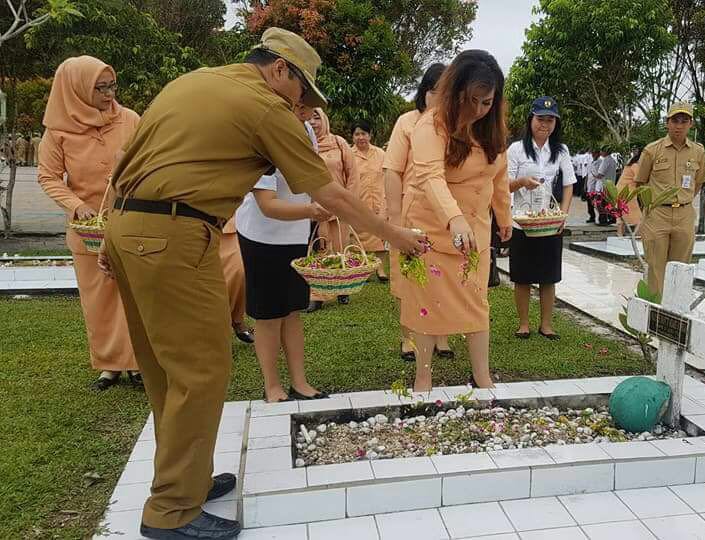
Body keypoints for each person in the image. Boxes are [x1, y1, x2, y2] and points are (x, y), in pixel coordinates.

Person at [99, 27, 425, 539]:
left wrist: (110, 238)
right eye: (301, 91)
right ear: (279, 69)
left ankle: (185, 479)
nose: (301, 105)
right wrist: (394, 235)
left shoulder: (194, 82)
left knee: (166, 367)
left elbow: (126, 164)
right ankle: (172, 513)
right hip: (177, 235)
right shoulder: (266, 107)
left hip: (129, 227)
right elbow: (330, 194)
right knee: (202, 369)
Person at [400, 49, 511, 392]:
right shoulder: (429, 126)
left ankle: (482, 376)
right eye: (471, 100)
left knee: (477, 301)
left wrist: (504, 217)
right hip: (430, 230)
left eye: (486, 102)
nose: (477, 110)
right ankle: (423, 378)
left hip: (474, 233)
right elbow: (431, 177)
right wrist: (454, 219)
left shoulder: (491, 130)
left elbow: (498, 177)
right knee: (426, 304)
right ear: (454, 93)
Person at [37, 56, 142, 391]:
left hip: (129, 224)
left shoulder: (130, 120)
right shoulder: (58, 132)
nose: (109, 93)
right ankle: (110, 365)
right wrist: (76, 204)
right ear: (77, 89)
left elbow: (147, 161)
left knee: (135, 295)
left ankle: (139, 362)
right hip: (88, 233)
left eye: (112, 85)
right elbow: (47, 176)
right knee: (99, 300)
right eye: (100, 88)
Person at [236, 101, 329, 403]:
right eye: (303, 109)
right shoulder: (262, 137)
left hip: (295, 233)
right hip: (261, 236)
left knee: (292, 310)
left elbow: (313, 178)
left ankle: (300, 382)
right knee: (269, 315)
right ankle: (272, 385)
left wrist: (321, 214)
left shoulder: (304, 132)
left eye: (313, 112)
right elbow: (267, 204)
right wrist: (310, 210)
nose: (310, 117)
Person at [383, 63, 454, 362]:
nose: (440, 99)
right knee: (411, 277)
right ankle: (408, 337)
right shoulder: (407, 122)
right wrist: (396, 221)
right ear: (425, 93)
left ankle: (442, 336)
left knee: (444, 276)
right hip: (412, 212)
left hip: (445, 213)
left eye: (448, 93)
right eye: (436, 91)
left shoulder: (456, 126)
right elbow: (392, 171)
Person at [507, 96, 576, 340]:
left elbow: (569, 184)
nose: (544, 125)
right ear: (531, 120)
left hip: (549, 222)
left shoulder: (561, 151)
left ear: (556, 123)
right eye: (540, 119)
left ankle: (546, 324)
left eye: (550, 120)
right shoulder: (516, 149)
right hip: (521, 222)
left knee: (549, 276)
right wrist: (523, 182)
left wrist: (563, 216)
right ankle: (523, 324)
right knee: (522, 276)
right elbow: (504, 185)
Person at [633, 101, 705, 295]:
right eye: (675, 120)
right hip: (657, 214)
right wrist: (649, 210)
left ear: (691, 124)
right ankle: (654, 312)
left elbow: (698, 183)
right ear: (667, 122)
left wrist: (684, 200)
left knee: (680, 268)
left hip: (684, 215)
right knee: (655, 268)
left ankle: (675, 312)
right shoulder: (652, 150)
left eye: (684, 120)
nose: (679, 125)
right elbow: (640, 183)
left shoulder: (698, 152)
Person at [306, 106, 357, 309]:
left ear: (324, 120)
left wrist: (349, 203)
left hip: (339, 207)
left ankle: (342, 288)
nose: (312, 123)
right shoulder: (302, 144)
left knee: (340, 249)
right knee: (319, 250)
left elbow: (352, 175)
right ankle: (317, 295)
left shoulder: (338, 143)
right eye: (309, 119)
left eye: (316, 118)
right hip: (314, 208)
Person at [351, 119, 389, 281]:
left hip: (380, 200)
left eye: (364, 133)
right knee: (360, 237)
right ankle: (364, 269)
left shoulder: (381, 154)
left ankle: (380, 270)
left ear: (370, 135)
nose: (360, 137)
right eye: (357, 134)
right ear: (352, 137)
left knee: (380, 235)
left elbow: (388, 175)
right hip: (359, 202)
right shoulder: (348, 155)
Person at [220, 215, 254, 343]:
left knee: (239, 269)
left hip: (227, 217)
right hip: (188, 221)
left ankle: (236, 319)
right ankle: (220, 326)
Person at [615, 150, 643, 237]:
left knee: (621, 215)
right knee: (640, 218)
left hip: (619, 190)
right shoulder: (636, 166)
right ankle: (635, 236)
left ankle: (620, 236)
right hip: (628, 193)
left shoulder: (629, 164)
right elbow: (639, 179)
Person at [585, 150, 603, 222]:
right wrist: (585, 185)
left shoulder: (601, 162)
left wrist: (597, 189)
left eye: (594, 153)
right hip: (589, 185)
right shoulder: (590, 160)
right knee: (589, 203)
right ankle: (592, 216)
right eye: (592, 152)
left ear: (598, 153)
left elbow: (599, 176)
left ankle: (601, 217)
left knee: (598, 203)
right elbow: (588, 173)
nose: (593, 154)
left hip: (596, 186)